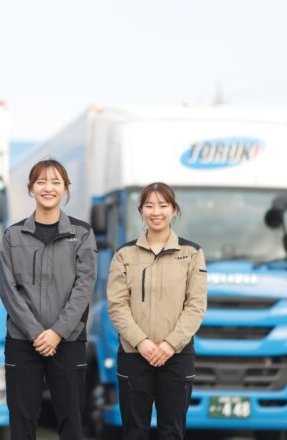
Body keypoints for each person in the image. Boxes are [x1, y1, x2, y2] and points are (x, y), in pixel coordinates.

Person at [0, 159, 97, 440]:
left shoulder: (82, 233)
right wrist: (35, 333)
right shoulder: (13, 235)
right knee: (22, 423)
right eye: (41, 182)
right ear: (31, 188)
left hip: (68, 341)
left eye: (56, 182)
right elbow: (8, 289)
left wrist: (57, 332)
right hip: (22, 341)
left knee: (71, 422)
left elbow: (84, 287)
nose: (48, 188)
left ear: (66, 188)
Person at [106, 182, 207, 440]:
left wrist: (170, 344)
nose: (156, 212)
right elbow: (117, 305)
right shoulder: (124, 254)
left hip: (177, 355)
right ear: (141, 211)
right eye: (149, 206)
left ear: (174, 210)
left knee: (172, 431)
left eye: (163, 205)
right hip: (133, 354)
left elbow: (195, 305)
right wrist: (141, 342)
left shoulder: (192, 253)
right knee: (134, 431)